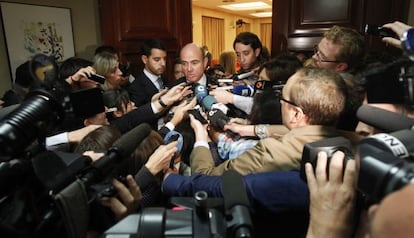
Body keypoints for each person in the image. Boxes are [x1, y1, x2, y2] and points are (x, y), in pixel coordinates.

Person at [189, 67, 361, 176]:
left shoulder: (269, 153)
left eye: (283, 99)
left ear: (296, 114)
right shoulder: (355, 142)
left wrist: (201, 136)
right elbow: (304, 132)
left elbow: (205, 178)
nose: (279, 103)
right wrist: (250, 129)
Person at [127, 39, 168, 107]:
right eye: (157, 60)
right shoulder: (136, 88)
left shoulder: (165, 79)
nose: (163, 63)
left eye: (164, 59)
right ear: (145, 59)